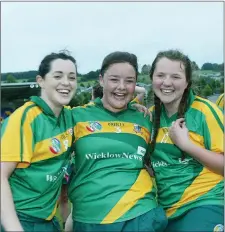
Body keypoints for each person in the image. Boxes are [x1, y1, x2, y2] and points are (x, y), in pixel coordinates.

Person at [66, 51, 168, 232]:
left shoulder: (144, 117)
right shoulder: (75, 116)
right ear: (101, 80)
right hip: (90, 218)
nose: (121, 87)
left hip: (140, 215)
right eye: (114, 79)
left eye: (129, 81)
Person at [145, 49, 224, 232]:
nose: (166, 82)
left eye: (175, 77)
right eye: (160, 75)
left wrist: (186, 145)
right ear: (152, 78)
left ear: (187, 82)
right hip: (166, 211)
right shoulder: (151, 116)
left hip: (204, 202)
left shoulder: (205, 112)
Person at [1, 51, 77, 232]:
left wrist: (133, 104)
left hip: (49, 220)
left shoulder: (70, 116)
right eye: (58, 76)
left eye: (72, 77)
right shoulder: (25, 118)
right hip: (21, 218)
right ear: (41, 80)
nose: (66, 82)